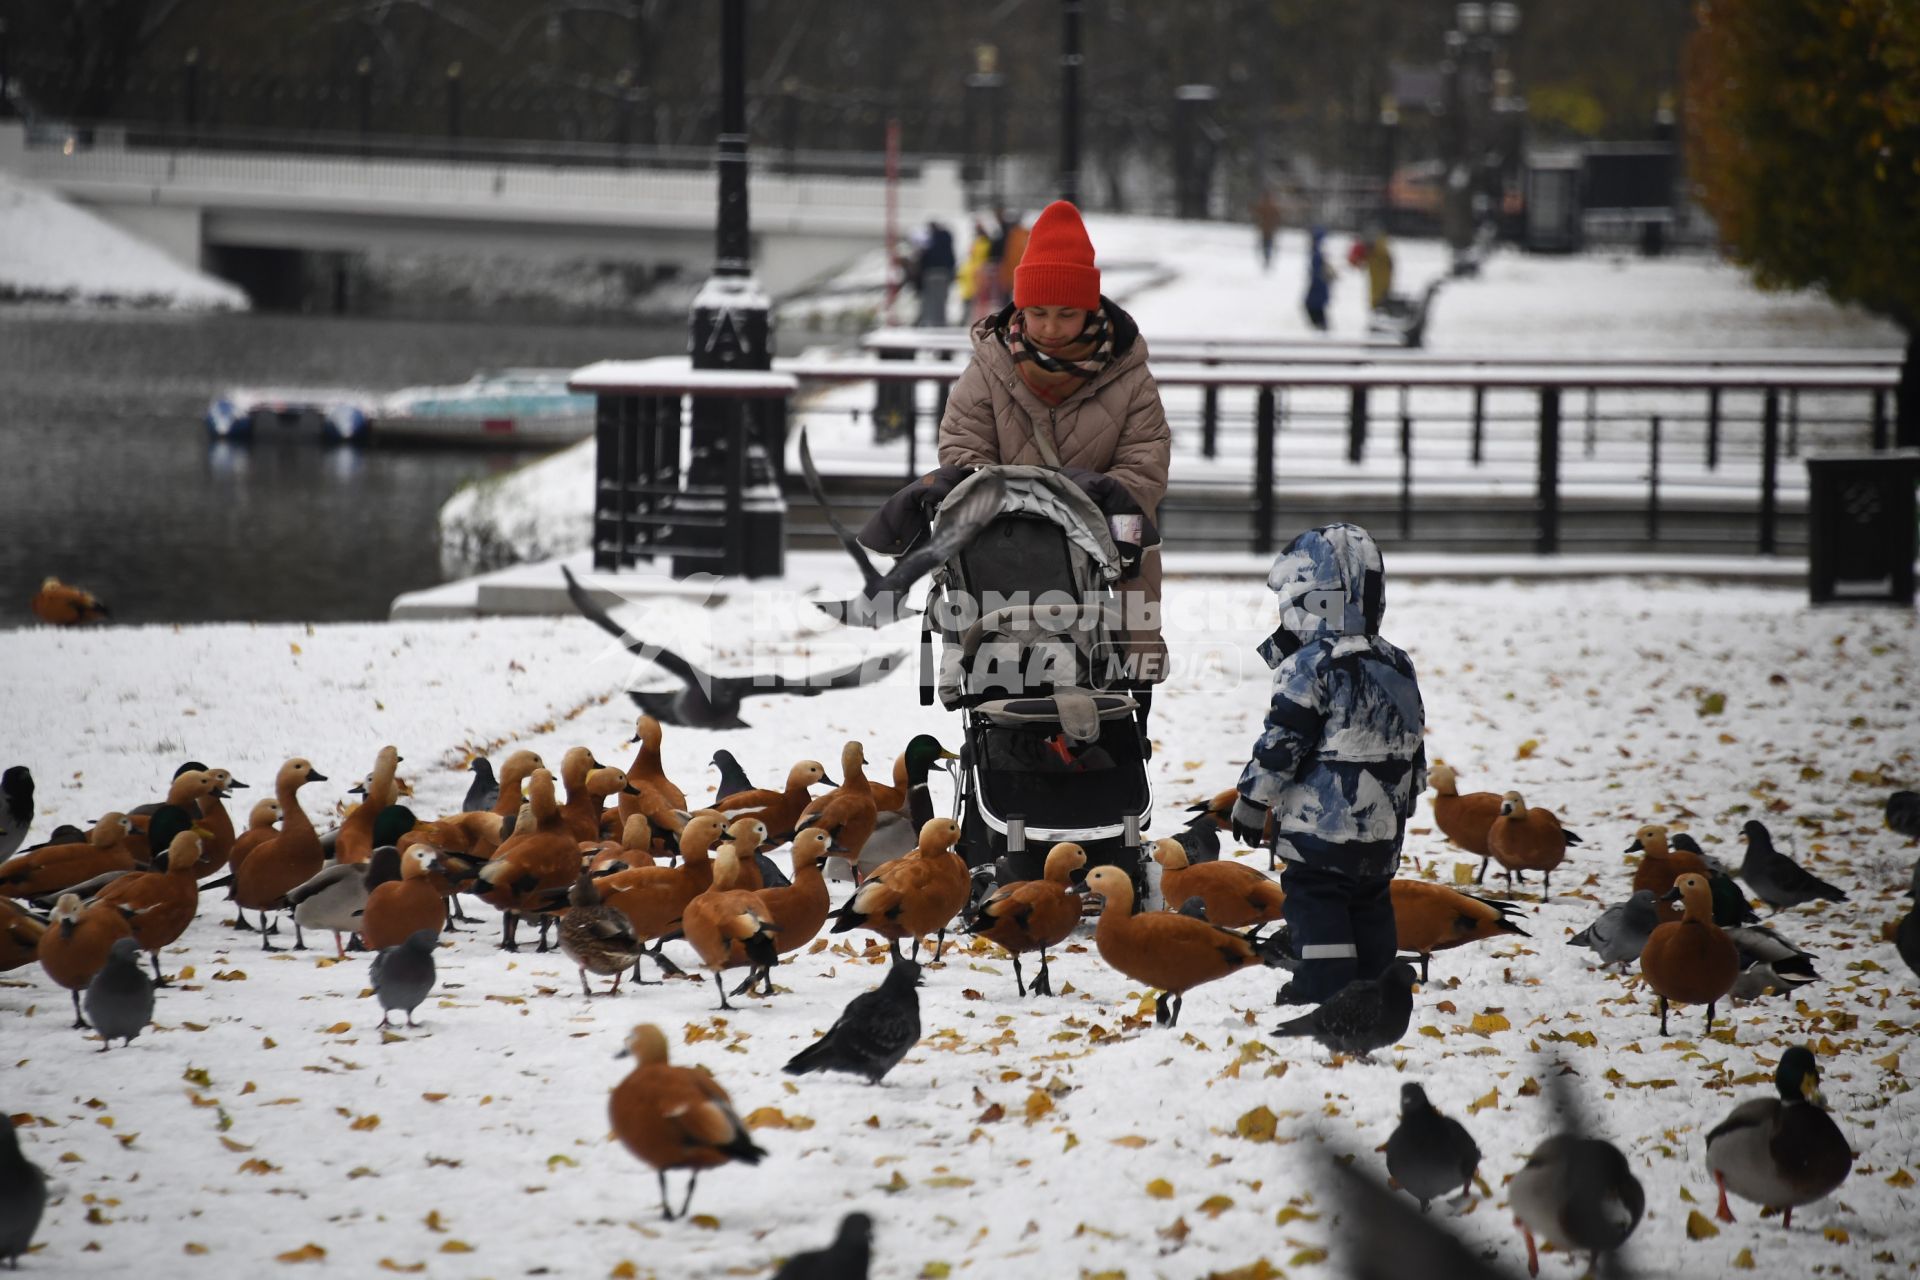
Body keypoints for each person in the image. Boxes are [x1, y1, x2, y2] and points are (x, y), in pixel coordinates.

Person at [937, 199, 1172, 712]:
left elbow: (1145, 467)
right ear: (1020, 307)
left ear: (1090, 309)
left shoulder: (1128, 375)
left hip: (1105, 542)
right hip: (1008, 541)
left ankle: (1133, 681)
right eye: (1037, 312)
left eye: (1066, 314)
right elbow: (961, 449)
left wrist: (1079, 502)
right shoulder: (989, 368)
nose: (1049, 327)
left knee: (1139, 558)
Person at [1229, 523, 1426, 1005]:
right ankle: (1377, 982)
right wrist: (1410, 793)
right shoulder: (1396, 662)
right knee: (1371, 900)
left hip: (1323, 824)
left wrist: (1253, 799)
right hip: (1382, 821)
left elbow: (1284, 740)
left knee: (1317, 901)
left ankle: (1323, 986)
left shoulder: (1309, 664)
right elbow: (1411, 735)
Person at [914, 219, 957, 328]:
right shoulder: (946, 240)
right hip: (943, 273)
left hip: (930, 273)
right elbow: (951, 258)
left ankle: (930, 322)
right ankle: (940, 322)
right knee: (941, 300)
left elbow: (923, 257)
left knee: (930, 300)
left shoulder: (929, 240)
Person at [956, 219, 993, 323]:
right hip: (973, 274)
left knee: (980, 298)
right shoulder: (980, 243)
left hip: (978, 273)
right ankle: (973, 318)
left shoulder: (982, 243)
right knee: (973, 298)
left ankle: (978, 319)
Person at [1304, 226, 1333, 331]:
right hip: (1318, 289)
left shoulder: (1317, 253)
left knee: (1313, 308)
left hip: (1318, 289)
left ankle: (1321, 329)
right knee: (1315, 309)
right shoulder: (1317, 253)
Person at [1252, 189, 1283, 271]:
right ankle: (1267, 259)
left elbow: (1256, 214)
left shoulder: (1266, 206)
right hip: (1267, 230)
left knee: (1267, 245)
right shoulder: (1270, 206)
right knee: (1267, 245)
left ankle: (1267, 259)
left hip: (1267, 230)